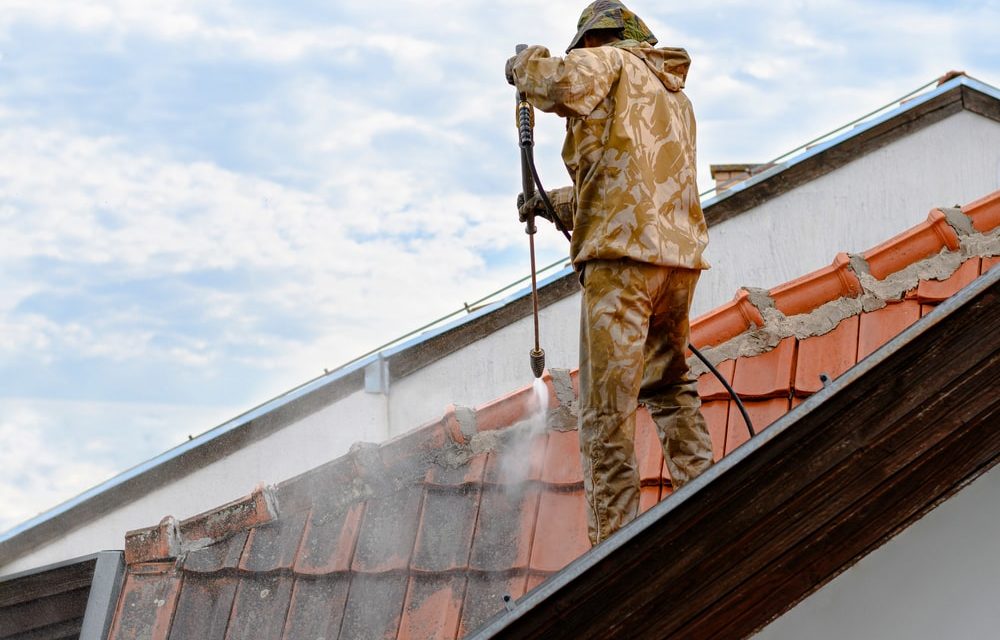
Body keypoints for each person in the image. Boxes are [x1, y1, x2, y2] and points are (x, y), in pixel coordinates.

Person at [506, 0, 714, 546]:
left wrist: (523, 65)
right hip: (676, 262)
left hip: (621, 269)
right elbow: (625, 187)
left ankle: (613, 552)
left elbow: (556, 84)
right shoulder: (675, 97)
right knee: (669, 386)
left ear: (596, 40)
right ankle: (711, 501)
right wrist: (551, 203)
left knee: (606, 415)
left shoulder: (610, 63)